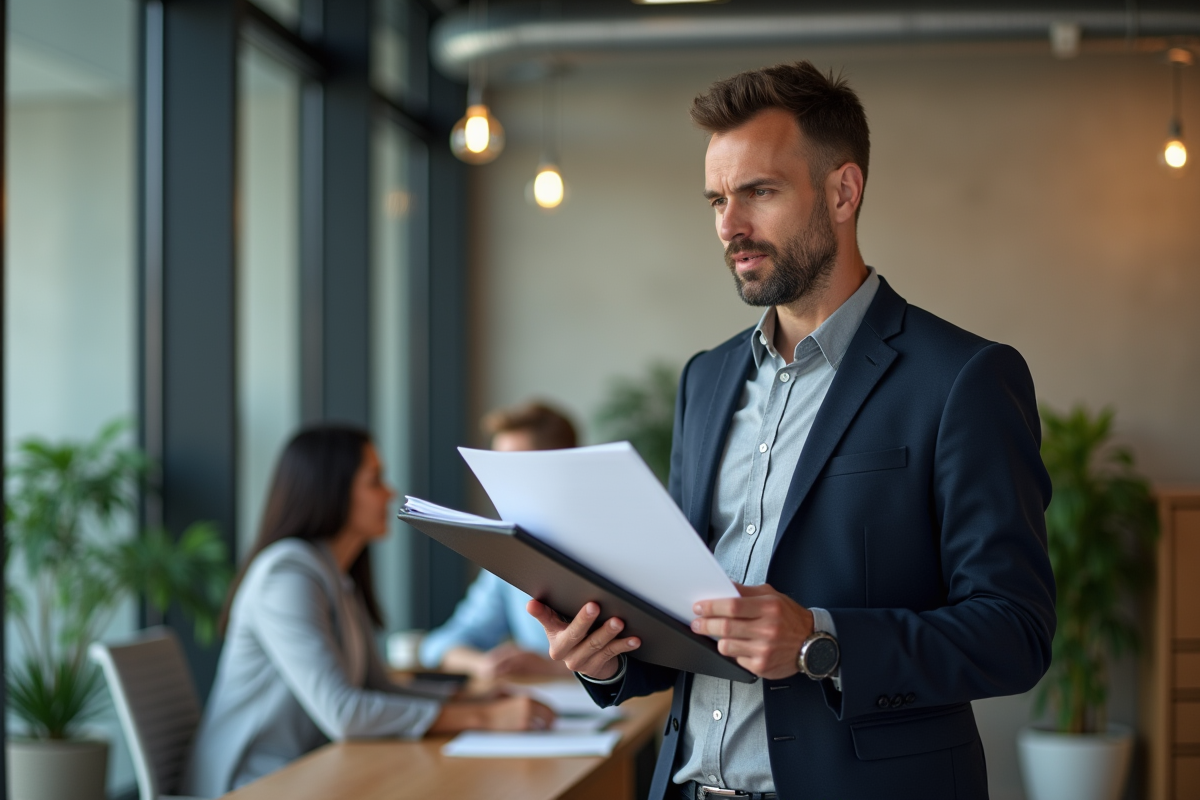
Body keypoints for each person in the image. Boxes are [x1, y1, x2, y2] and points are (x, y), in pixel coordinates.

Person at [527, 61, 1056, 800]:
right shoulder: (704, 381)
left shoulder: (963, 379)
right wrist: (605, 656)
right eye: (716, 199)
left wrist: (821, 642)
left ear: (843, 191)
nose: (729, 226)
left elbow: (1015, 632)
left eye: (759, 193)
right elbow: (692, 619)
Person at [182, 425, 553, 797]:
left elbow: (379, 686)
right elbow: (344, 712)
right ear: (332, 490)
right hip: (254, 783)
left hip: (311, 772)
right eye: (374, 480)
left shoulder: (335, 575)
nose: (390, 492)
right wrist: (485, 719)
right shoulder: (286, 575)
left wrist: (470, 699)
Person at [419, 401, 577, 679]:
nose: (496, 482)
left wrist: (553, 669)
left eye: (511, 467)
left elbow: (650, 662)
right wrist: (485, 664)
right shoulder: (511, 553)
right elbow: (437, 646)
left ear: (562, 467)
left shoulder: (616, 550)